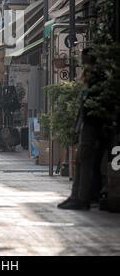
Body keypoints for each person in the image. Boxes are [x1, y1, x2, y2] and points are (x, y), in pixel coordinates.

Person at [58, 48, 106, 211]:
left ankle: (82, 198)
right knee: (80, 161)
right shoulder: (90, 78)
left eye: (84, 59)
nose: (82, 62)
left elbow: (91, 107)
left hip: (92, 126)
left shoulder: (97, 79)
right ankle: (76, 196)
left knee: (84, 161)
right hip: (86, 126)